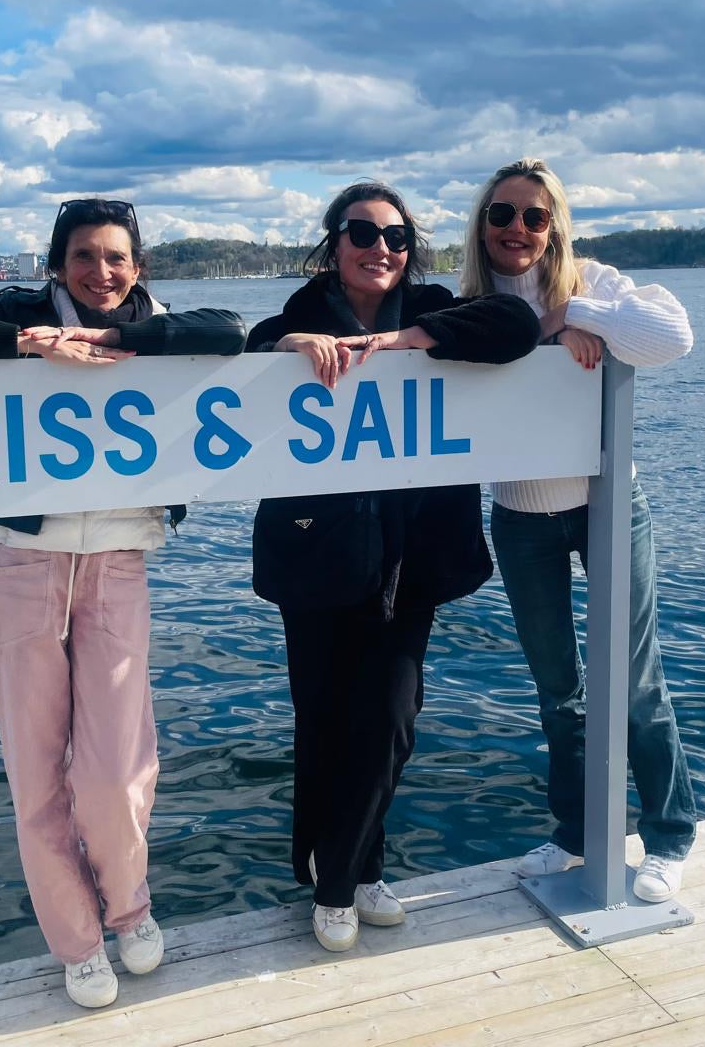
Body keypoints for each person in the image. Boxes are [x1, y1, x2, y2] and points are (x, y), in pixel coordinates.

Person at [0, 198, 245, 1008]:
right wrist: (27, 343)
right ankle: (78, 943)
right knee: (37, 775)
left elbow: (231, 331)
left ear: (138, 267)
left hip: (118, 563)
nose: (101, 272)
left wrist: (116, 342)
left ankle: (129, 908)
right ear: (57, 264)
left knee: (117, 772)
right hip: (22, 567)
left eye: (117, 257)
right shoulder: (16, 314)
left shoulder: (159, 324)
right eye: (84, 256)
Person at [247, 180, 540, 952]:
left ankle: (337, 882)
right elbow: (249, 347)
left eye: (397, 236)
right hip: (316, 553)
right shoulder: (302, 314)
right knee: (323, 720)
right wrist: (285, 348)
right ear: (334, 243)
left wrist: (409, 341)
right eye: (363, 233)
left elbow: (515, 325)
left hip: (411, 559)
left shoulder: (436, 307)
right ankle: (354, 869)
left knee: (389, 719)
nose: (381, 248)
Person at [458, 158, 699, 901]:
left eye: (535, 216)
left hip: (608, 506)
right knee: (558, 690)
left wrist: (579, 315)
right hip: (522, 517)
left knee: (634, 680)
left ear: (555, 226)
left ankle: (669, 835)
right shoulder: (467, 302)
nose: (518, 229)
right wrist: (542, 334)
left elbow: (673, 336)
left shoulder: (594, 282)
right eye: (502, 214)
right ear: (483, 224)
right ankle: (578, 831)